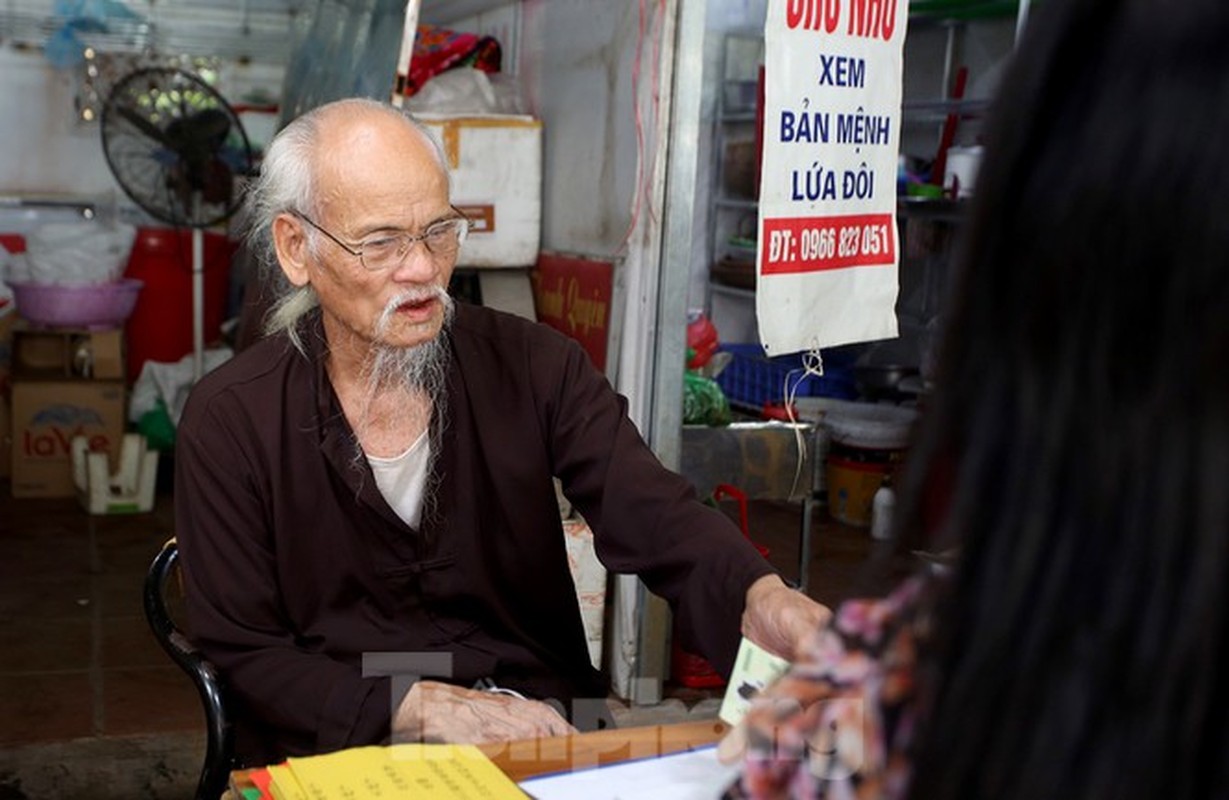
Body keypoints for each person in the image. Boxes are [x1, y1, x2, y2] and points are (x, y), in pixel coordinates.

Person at [175, 96, 828, 766]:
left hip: (536, 719)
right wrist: (417, 704)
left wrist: (758, 595)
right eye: (381, 242)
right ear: (296, 248)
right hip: (341, 741)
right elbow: (243, 647)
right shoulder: (232, 419)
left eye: (438, 231)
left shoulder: (535, 366)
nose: (424, 269)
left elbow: (655, 512)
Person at [722, 0, 1229, 797]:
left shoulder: (894, 696)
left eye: (448, 234)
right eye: (439, 231)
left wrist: (768, 606)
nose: (441, 268)